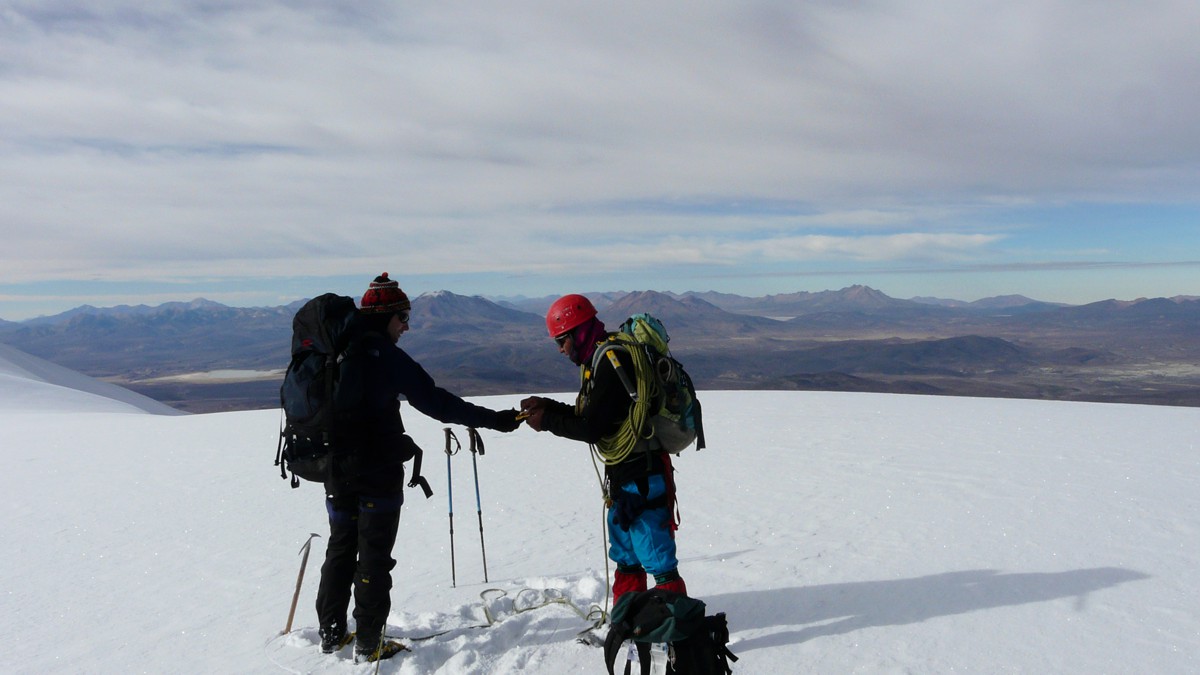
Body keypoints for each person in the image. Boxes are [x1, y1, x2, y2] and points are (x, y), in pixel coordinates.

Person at [316, 273, 521, 662]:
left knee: (340, 548)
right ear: (385, 316)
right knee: (374, 556)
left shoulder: (336, 350)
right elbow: (437, 402)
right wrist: (495, 420)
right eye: (403, 317)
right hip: (377, 472)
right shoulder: (384, 355)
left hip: (334, 471)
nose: (406, 326)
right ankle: (369, 644)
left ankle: (331, 634)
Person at [519, 294, 687, 608]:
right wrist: (548, 407)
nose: (560, 350)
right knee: (626, 553)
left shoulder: (612, 361)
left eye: (562, 341)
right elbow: (597, 415)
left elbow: (592, 428)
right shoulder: (601, 358)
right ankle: (629, 620)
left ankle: (676, 630)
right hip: (627, 474)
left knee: (656, 555)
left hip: (642, 473)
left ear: (578, 332)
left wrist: (548, 422)